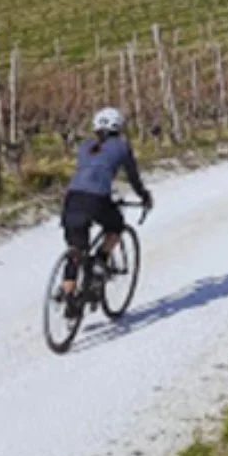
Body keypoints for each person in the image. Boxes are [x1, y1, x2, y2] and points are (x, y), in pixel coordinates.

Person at [58, 107, 152, 309]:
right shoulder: (122, 146)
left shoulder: (85, 146)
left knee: (76, 250)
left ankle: (69, 296)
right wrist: (144, 196)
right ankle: (99, 262)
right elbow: (133, 177)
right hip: (97, 199)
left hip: (71, 199)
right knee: (115, 227)